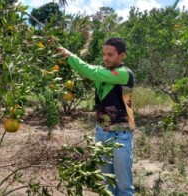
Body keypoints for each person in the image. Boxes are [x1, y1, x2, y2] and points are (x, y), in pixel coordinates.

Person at [57, 37, 136, 196]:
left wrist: (69, 56)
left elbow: (92, 72)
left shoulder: (124, 74)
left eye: (110, 55)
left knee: (124, 186)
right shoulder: (104, 71)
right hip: (101, 131)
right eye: (104, 54)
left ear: (122, 56)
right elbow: (93, 71)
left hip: (121, 134)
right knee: (106, 182)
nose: (106, 58)